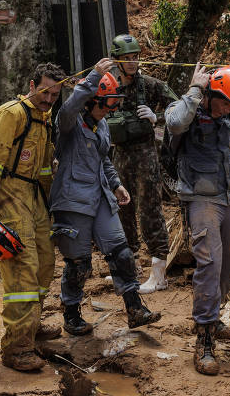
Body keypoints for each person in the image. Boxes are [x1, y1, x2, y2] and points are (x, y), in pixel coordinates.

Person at [165, 60, 230, 376]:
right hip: (200, 198)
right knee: (209, 262)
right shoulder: (186, 108)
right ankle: (205, 336)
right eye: (224, 103)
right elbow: (176, 124)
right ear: (209, 93)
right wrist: (195, 88)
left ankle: (214, 310)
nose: (228, 111)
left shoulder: (226, 111)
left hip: (229, 195)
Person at [50, 57, 161, 336]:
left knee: (121, 252)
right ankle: (72, 313)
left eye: (116, 102)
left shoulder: (102, 126)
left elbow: (105, 160)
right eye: (109, 102)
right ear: (92, 100)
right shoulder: (70, 124)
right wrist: (91, 79)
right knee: (79, 262)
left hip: (100, 197)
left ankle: (135, 308)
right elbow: (66, 109)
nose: (114, 107)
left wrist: (116, 184)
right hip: (74, 200)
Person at [0, 62, 66, 371]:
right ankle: (16, 346)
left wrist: (50, 201)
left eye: (55, 94)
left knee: (45, 262)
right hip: (9, 195)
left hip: (34, 197)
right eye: (44, 91)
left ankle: (31, 326)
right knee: (23, 269)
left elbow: (41, 169)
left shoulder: (45, 119)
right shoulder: (11, 114)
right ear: (31, 85)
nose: (49, 99)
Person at [108, 34, 178, 294]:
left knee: (150, 210)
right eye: (127, 58)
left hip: (146, 157)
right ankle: (130, 267)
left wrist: (156, 117)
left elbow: (180, 109)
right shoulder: (109, 86)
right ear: (117, 60)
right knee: (122, 210)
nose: (132, 62)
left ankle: (158, 275)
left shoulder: (149, 85)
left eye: (135, 57)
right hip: (119, 157)